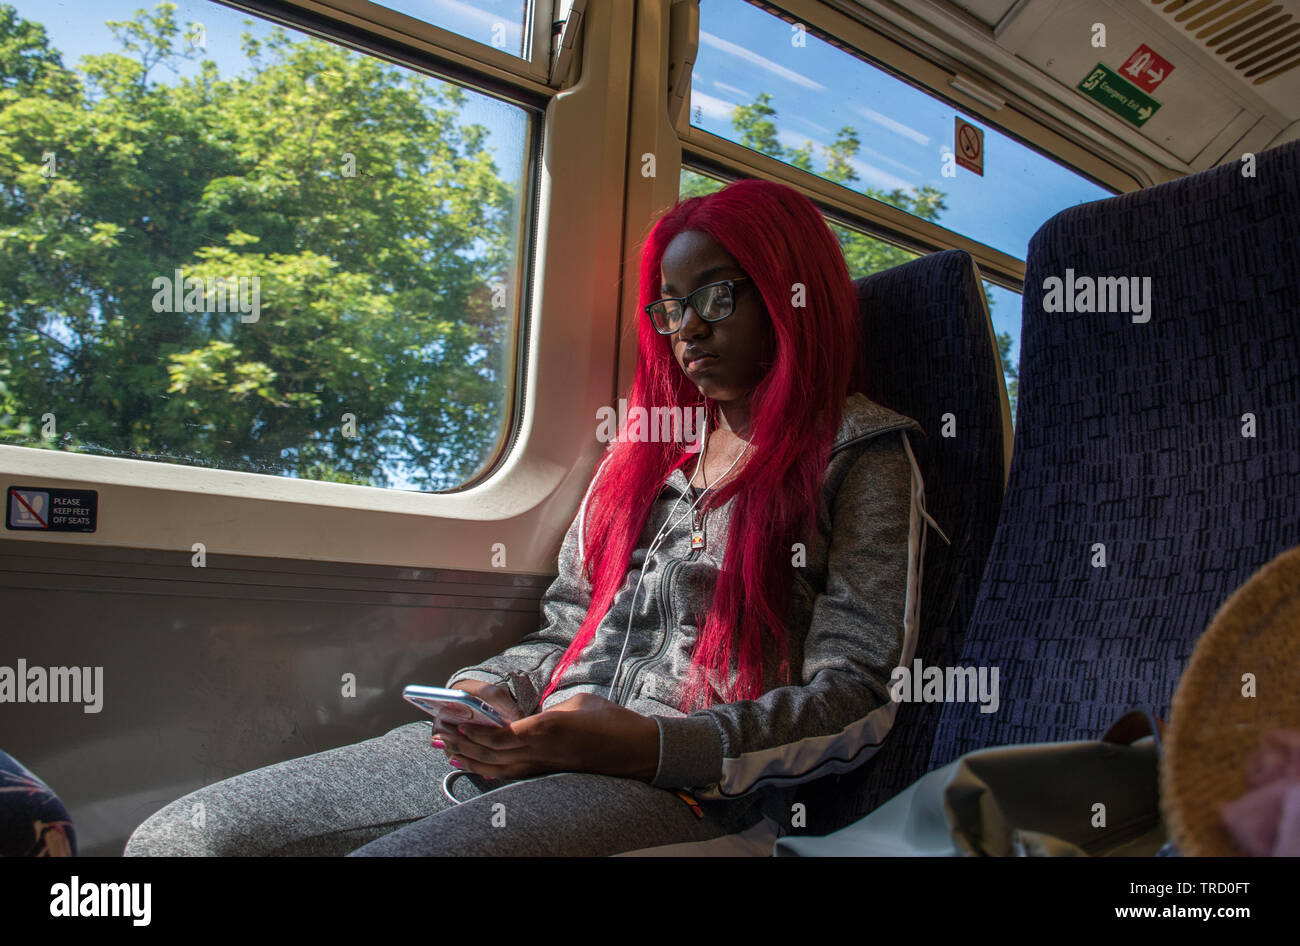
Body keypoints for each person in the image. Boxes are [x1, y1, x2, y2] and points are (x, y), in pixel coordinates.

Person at [123, 178, 935, 856]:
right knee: (188, 840)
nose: (687, 327)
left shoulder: (862, 456)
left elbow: (858, 697)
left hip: (700, 792)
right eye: (669, 307)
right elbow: (568, 627)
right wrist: (490, 692)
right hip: (540, 745)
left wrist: (649, 745)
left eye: (717, 295)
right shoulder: (648, 456)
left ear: (794, 291)